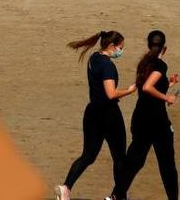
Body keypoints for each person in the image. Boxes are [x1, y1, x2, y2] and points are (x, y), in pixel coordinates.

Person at [55, 30, 136, 200]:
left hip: (92, 113)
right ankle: (119, 196)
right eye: (121, 47)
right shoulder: (107, 66)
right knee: (120, 157)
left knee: (88, 155)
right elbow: (111, 93)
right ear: (112, 46)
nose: (121, 50)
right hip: (109, 115)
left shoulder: (94, 58)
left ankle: (66, 187)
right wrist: (129, 90)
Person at [111, 30, 179, 200]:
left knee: (134, 162)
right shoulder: (160, 65)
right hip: (157, 122)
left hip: (140, 119)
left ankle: (116, 195)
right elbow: (148, 87)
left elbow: (147, 89)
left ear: (148, 45)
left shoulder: (144, 64)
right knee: (167, 164)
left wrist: (167, 84)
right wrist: (167, 97)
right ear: (165, 48)